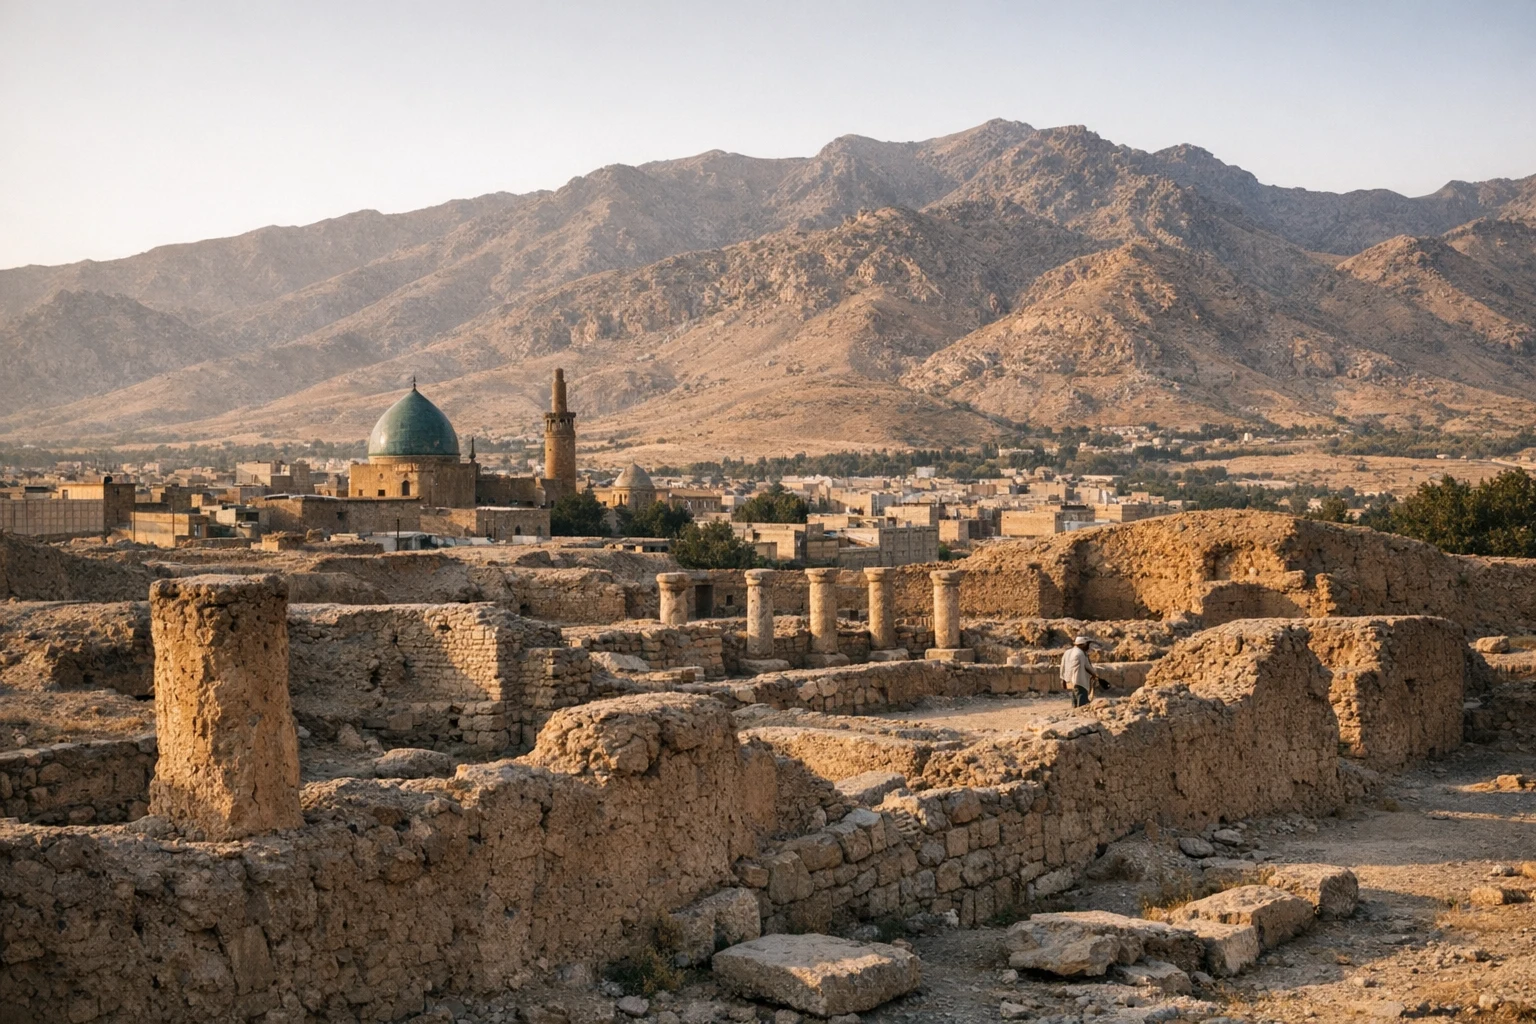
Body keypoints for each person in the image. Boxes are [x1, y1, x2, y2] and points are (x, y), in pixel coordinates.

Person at [1060, 635, 1101, 708]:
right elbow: (1087, 666)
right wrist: (1095, 675)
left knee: (1075, 697)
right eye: (1087, 644)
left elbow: (1063, 666)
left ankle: (1074, 713)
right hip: (1080, 681)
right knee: (1082, 702)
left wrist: (1063, 679)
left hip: (1070, 680)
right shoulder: (1081, 653)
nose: (1088, 647)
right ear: (1083, 644)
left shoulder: (1067, 652)